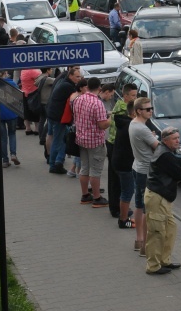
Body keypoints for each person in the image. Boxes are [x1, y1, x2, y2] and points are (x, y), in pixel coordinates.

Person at [144, 127, 181, 275]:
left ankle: (164, 260)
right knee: (156, 232)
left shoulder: (165, 151)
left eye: (178, 137)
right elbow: (180, 175)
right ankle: (153, 266)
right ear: (165, 140)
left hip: (162, 198)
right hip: (157, 198)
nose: (178, 140)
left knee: (170, 229)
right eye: (174, 138)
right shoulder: (165, 155)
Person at [74, 77, 111, 208]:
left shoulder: (78, 99)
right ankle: (97, 198)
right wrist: (111, 119)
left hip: (81, 139)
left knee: (84, 168)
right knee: (95, 171)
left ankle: (85, 195)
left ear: (88, 86)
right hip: (95, 141)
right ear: (99, 88)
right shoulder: (97, 103)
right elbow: (102, 125)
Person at [129, 97, 159, 257]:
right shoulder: (142, 129)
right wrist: (156, 140)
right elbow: (157, 148)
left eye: (151, 108)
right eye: (148, 109)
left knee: (139, 205)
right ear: (139, 111)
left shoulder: (134, 124)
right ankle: (145, 247)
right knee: (148, 208)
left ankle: (139, 240)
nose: (151, 111)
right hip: (146, 170)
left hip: (137, 166)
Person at [110, 83, 138, 226]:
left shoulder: (125, 121)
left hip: (119, 159)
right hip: (124, 162)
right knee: (127, 191)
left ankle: (122, 214)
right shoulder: (131, 125)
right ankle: (123, 219)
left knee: (123, 188)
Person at [46, 66, 82, 174]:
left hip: (53, 115)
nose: (79, 79)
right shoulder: (69, 86)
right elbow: (77, 98)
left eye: (80, 76)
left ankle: (58, 162)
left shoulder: (64, 82)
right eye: (77, 77)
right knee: (58, 141)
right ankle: (54, 164)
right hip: (59, 118)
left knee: (62, 139)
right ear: (70, 76)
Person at [0, 70, 21, 168]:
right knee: (12, 134)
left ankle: (5, 160)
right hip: (11, 113)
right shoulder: (12, 83)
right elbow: (18, 97)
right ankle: (13, 154)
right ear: (5, 73)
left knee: (3, 138)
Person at [20, 67, 42, 136]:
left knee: (26, 112)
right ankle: (37, 129)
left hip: (24, 92)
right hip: (33, 93)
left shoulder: (23, 70)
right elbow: (41, 77)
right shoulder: (32, 71)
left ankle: (28, 128)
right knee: (35, 111)